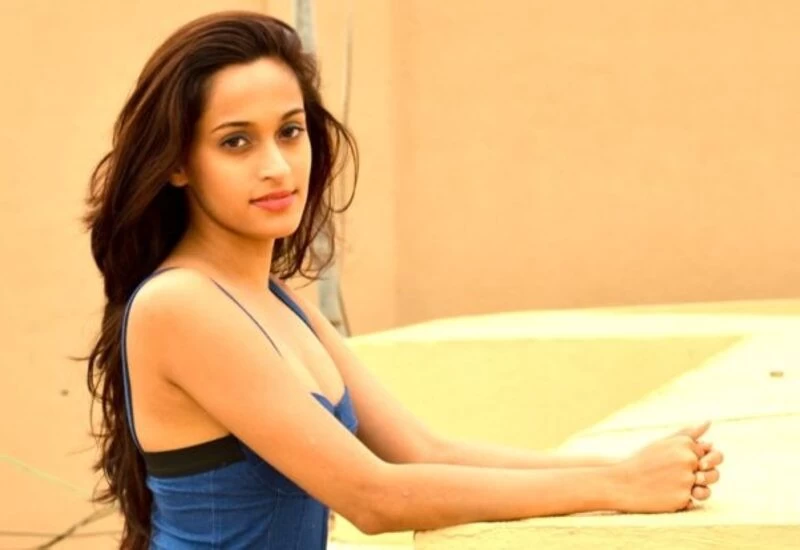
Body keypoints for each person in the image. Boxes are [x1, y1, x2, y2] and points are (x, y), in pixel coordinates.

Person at [83, 10, 723, 550]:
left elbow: (421, 450)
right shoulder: (181, 305)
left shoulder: (275, 302)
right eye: (235, 142)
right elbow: (374, 496)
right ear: (177, 164)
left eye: (290, 131)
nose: (277, 166)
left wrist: (625, 467)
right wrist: (616, 487)